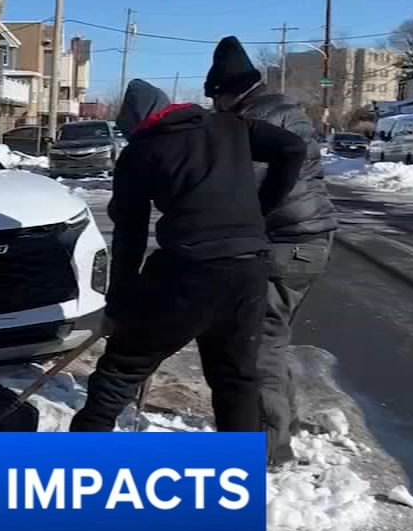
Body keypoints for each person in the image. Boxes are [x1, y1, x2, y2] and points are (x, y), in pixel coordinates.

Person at [70, 79, 306, 434]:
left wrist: (119, 306)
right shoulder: (230, 125)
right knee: (236, 379)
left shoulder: (141, 150)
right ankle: (238, 464)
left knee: (122, 368)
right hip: (249, 268)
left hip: (189, 270)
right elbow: (293, 148)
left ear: (136, 123)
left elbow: (130, 235)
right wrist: (260, 211)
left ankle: (81, 453)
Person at [204, 37, 339, 465]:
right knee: (274, 339)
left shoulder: (253, 122)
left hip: (286, 241)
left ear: (227, 92)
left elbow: (242, 187)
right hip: (310, 238)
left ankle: (265, 449)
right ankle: (283, 424)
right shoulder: (283, 108)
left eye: (216, 100)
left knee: (257, 344)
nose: (216, 108)